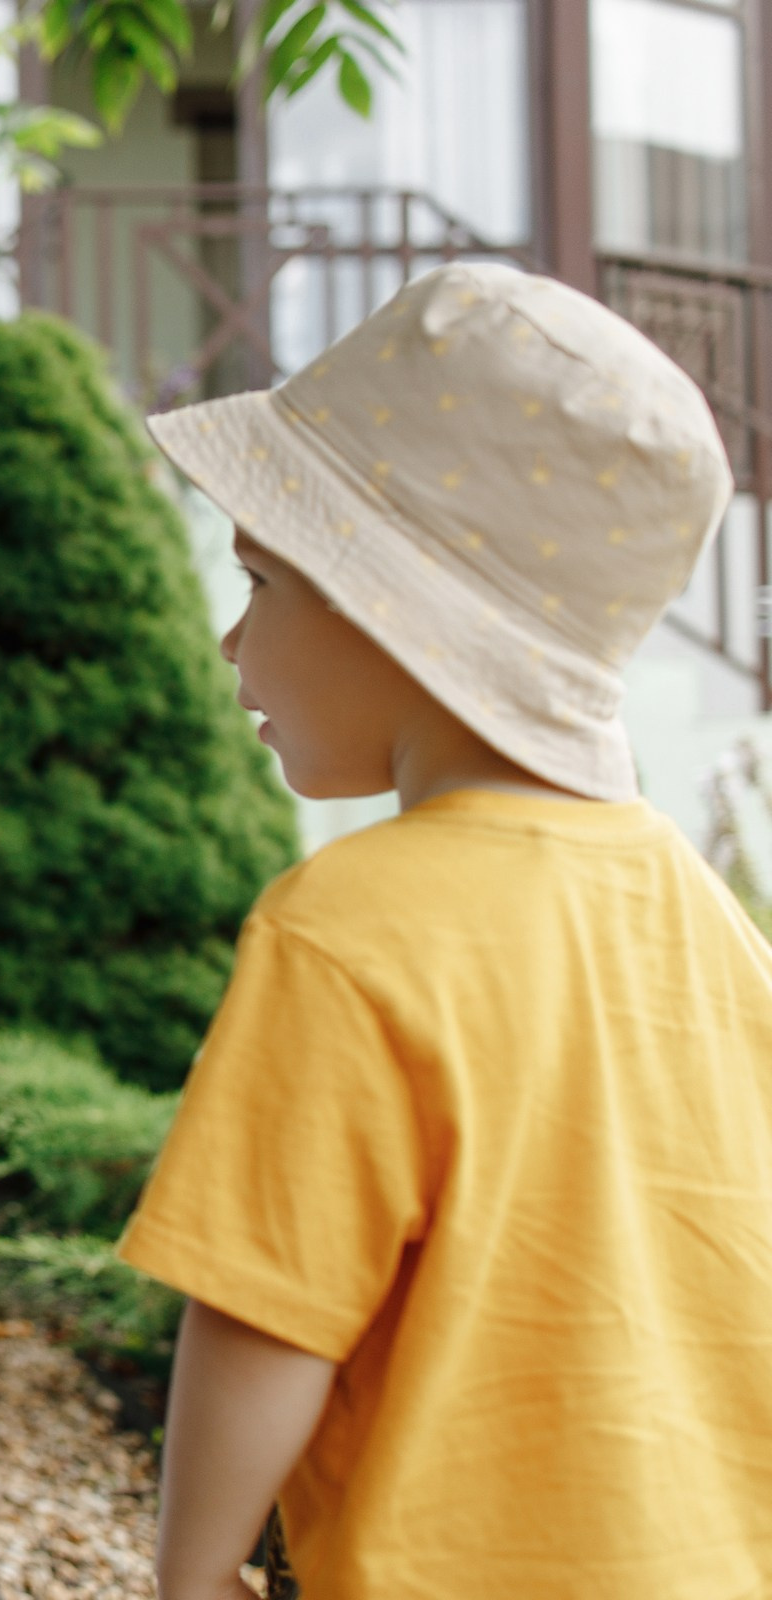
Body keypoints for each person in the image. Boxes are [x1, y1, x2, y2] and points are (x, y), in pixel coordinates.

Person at [120, 259, 772, 1600]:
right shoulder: (715, 930)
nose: (232, 644)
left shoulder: (346, 929)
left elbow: (265, 1314)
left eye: (262, 582)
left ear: (389, 609)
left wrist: (190, 1577)